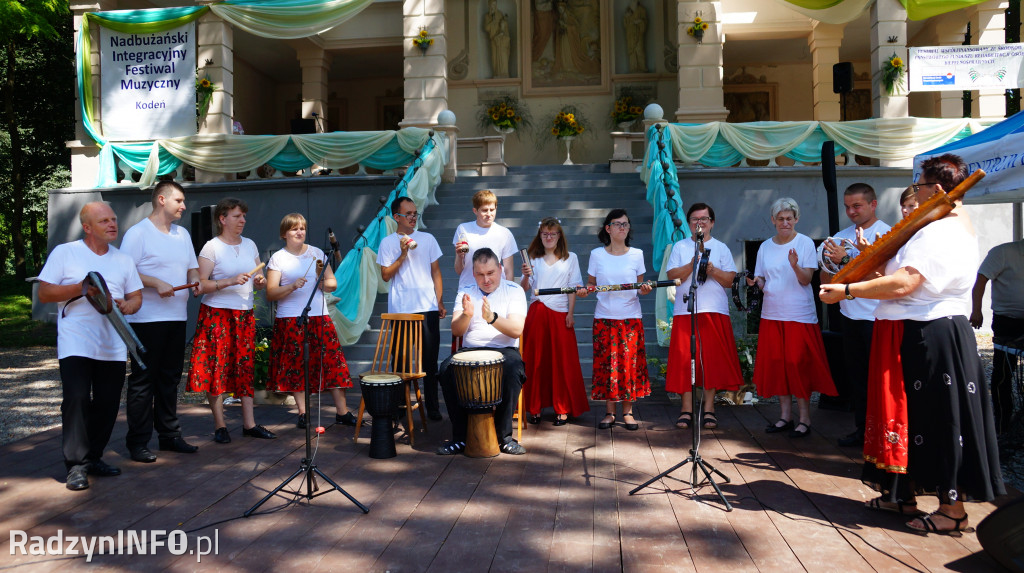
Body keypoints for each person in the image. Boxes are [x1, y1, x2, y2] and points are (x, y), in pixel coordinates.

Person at [821, 154, 1004, 534]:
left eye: (918, 186)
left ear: (936, 190)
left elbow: (906, 282)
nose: (914, 191)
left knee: (939, 419)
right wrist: (861, 264)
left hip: (933, 334)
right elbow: (893, 272)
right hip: (909, 331)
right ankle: (901, 494)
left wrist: (848, 290)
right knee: (909, 419)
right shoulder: (928, 226)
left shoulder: (945, 230)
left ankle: (952, 511)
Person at [38, 202, 143, 490]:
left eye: (113, 218)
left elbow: (136, 297)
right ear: (87, 227)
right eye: (104, 221)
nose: (112, 224)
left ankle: (93, 456)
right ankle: (76, 466)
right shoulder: (66, 253)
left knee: (108, 404)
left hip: (113, 343)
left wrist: (128, 306)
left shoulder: (123, 260)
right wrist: (83, 288)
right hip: (76, 340)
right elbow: (45, 292)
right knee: (77, 399)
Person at [119, 181, 200, 464]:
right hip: (146, 319)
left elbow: (192, 267)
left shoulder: (183, 234)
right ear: (161, 200)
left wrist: (197, 280)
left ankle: (169, 435)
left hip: (177, 317)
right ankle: (138, 442)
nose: (184, 205)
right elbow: (125, 271)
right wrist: (155, 283)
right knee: (143, 381)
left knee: (170, 378)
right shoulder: (138, 234)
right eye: (179, 200)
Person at [187, 197, 276, 443]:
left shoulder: (250, 245)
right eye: (237, 216)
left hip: (244, 314)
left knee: (244, 367)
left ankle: (249, 424)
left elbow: (261, 280)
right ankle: (220, 425)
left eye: (244, 217)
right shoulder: (211, 247)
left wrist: (259, 282)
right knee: (216, 367)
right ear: (223, 219)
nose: (243, 221)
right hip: (217, 314)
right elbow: (201, 285)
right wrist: (228, 281)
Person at [748, 198, 836, 438]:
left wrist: (795, 265)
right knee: (779, 365)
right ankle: (785, 416)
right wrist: (756, 282)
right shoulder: (765, 246)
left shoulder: (805, 242)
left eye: (789, 218)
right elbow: (763, 278)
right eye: (780, 218)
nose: (785, 223)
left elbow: (806, 280)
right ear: (773, 221)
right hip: (772, 313)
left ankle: (805, 418)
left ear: (796, 219)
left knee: (798, 365)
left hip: (799, 315)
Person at [265, 213, 357, 429]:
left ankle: (342, 412)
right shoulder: (278, 258)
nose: (299, 232)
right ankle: (303, 413)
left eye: (302, 228)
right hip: (291, 319)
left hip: (320, 317)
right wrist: (291, 286)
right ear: (284, 234)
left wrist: (322, 282)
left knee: (333, 363)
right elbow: (270, 293)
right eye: (294, 229)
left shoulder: (316, 253)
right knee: (296, 366)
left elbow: (332, 282)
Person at [437, 248, 528, 455]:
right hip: (471, 349)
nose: (486, 279)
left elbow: (516, 329)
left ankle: (504, 437)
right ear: (474, 273)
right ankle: (460, 437)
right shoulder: (466, 291)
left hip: (504, 350)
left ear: (501, 269)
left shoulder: (514, 290)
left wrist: (492, 318)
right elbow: (456, 330)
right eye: (480, 274)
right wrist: (466, 315)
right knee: (446, 370)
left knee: (514, 370)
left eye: (491, 273)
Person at [820, 184, 891, 447]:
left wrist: (847, 260)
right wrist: (828, 261)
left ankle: (885, 433)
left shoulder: (886, 234)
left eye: (857, 206)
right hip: (849, 317)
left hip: (878, 318)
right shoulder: (840, 237)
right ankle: (863, 431)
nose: (851, 211)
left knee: (880, 381)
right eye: (847, 206)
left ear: (873, 204)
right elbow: (826, 279)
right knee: (858, 379)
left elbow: (884, 278)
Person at [664, 203, 742, 430]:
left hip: (714, 310)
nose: (700, 223)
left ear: (712, 222)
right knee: (685, 360)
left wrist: (712, 270)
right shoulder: (680, 246)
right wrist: (692, 263)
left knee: (710, 361)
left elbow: (730, 281)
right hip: (686, 311)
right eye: (695, 219)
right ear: (689, 223)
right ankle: (686, 409)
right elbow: (672, 276)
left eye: (704, 219)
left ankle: (709, 409)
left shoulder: (721, 247)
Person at [577, 209, 652, 431]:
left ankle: (628, 412)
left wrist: (645, 289)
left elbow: (640, 289)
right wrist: (585, 291)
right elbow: (591, 284)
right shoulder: (597, 255)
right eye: (617, 224)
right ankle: (609, 412)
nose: (622, 227)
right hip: (604, 318)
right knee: (607, 366)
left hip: (630, 318)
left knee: (629, 366)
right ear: (607, 228)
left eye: (626, 224)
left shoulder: (637, 254)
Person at [377, 196, 446, 420]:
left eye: (415, 213)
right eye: (408, 214)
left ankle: (433, 408)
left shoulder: (427, 238)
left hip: (427, 306)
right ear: (396, 217)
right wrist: (403, 254)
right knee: (402, 361)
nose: (413, 218)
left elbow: (436, 272)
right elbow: (386, 275)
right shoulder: (388, 242)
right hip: (401, 309)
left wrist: (440, 301)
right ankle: (400, 407)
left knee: (430, 360)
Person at [520, 217, 589, 425]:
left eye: (553, 234)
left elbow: (574, 286)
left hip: (560, 313)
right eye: (545, 234)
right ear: (540, 236)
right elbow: (525, 287)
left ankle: (563, 408)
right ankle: (534, 407)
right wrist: (524, 276)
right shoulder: (533, 257)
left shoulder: (571, 258)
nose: (549, 237)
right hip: (538, 311)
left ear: (560, 236)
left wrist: (570, 313)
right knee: (536, 361)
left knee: (562, 362)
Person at [970, 237, 1024, 434]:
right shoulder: (1002, 252)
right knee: (1003, 372)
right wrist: (976, 311)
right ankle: (1002, 422)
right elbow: (981, 279)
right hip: (1007, 320)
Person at [453, 189, 517, 289]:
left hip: (496, 290)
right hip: (469, 288)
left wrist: (508, 292)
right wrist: (459, 255)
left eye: (492, 210)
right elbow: (458, 270)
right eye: (484, 210)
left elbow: (509, 270)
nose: (489, 214)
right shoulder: (463, 229)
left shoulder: (504, 233)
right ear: (475, 211)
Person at [484, 0, 511, 79]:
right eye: (492, 5)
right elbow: (486, 28)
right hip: (493, 40)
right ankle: (496, 73)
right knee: (494, 57)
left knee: (503, 56)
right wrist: (493, 21)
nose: (493, 6)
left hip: (502, 40)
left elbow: (504, 25)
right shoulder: (487, 16)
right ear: (489, 5)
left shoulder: (500, 14)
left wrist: (503, 24)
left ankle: (504, 73)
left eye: (494, 4)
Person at [623, 0, 647, 73]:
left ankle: (642, 68)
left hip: (638, 33)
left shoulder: (642, 10)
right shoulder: (628, 9)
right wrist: (626, 17)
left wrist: (639, 21)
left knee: (639, 50)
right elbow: (625, 23)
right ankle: (633, 68)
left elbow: (645, 21)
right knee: (632, 51)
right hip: (630, 34)